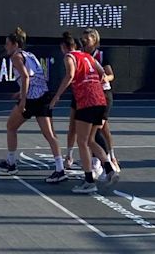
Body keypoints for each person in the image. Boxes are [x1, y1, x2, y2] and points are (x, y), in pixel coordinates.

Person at [50, 32, 119, 194]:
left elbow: (70, 75)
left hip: (86, 101)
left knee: (82, 141)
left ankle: (89, 181)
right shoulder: (88, 57)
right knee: (91, 139)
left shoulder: (70, 57)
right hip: (100, 99)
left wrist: (57, 96)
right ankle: (109, 169)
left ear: (63, 47)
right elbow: (103, 74)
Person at [0, 27, 67, 183]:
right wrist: (21, 92)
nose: (5, 47)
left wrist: (23, 101)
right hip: (43, 95)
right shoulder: (30, 55)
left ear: (15, 44)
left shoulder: (15, 57)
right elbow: (36, 77)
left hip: (32, 99)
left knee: (10, 127)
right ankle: (60, 168)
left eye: (7, 44)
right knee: (50, 135)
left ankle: (11, 163)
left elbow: (26, 77)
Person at [64, 29, 119, 176]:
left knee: (100, 130)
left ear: (94, 40)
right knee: (74, 126)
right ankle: (69, 156)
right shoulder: (80, 54)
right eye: (82, 39)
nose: (84, 42)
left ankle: (107, 160)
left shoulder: (99, 55)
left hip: (99, 94)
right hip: (82, 93)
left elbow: (109, 74)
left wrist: (105, 78)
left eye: (87, 39)